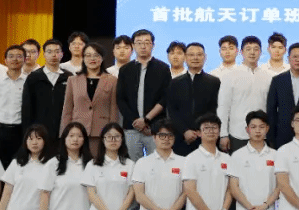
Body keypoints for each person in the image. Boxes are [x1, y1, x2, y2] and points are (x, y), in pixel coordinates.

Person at [116, 29, 170, 161]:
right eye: (139, 43)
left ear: (153, 45)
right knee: (133, 165)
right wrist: (136, 122)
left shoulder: (163, 68)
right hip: (131, 128)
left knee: (157, 163)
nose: (143, 46)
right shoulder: (125, 70)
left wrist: (146, 120)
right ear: (133, 46)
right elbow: (121, 99)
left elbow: (165, 98)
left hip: (154, 128)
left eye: (147, 42)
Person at [61, 42, 119, 159]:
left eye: (96, 55)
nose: (92, 58)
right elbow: (67, 109)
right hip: (77, 131)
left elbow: (114, 108)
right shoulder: (73, 80)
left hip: (101, 131)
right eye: (88, 55)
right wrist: (64, 133)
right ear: (83, 58)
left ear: (102, 58)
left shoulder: (112, 80)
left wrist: (112, 132)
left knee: (98, 163)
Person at [166, 42, 222, 157]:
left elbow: (215, 109)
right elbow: (172, 111)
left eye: (199, 54)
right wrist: (185, 131)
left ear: (205, 57)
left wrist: (202, 130)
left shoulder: (214, 82)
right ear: (185, 57)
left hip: (207, 136)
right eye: (191, 55)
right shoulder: (175, 83)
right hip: (181, 137)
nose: (195, 58)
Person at [217, 36, 269, 153]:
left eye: (256, 49)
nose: (252, 52)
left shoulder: (267, 77)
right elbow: (223, 107)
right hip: (237, 134)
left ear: (260, 52)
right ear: (241, 52)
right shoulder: (230, 76)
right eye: (248, 49)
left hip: (262, 134)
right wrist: (223, 134)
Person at [0, 45, 28, 167]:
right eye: (11, 56)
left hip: (20, 131)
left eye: (19, 56)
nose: (15, 59)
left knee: (18, 166)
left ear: (24, 59)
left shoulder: (28, 82)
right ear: (5, 60)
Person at [21, 39, 71, 141]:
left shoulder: (69, 77)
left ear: (62, 54)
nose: (53, 55)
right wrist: (28, 131)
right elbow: (27, 107)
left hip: (63, 130)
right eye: (49, 52)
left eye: (57, 51)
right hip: (39, 131)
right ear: (44, 54)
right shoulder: (34, 77)